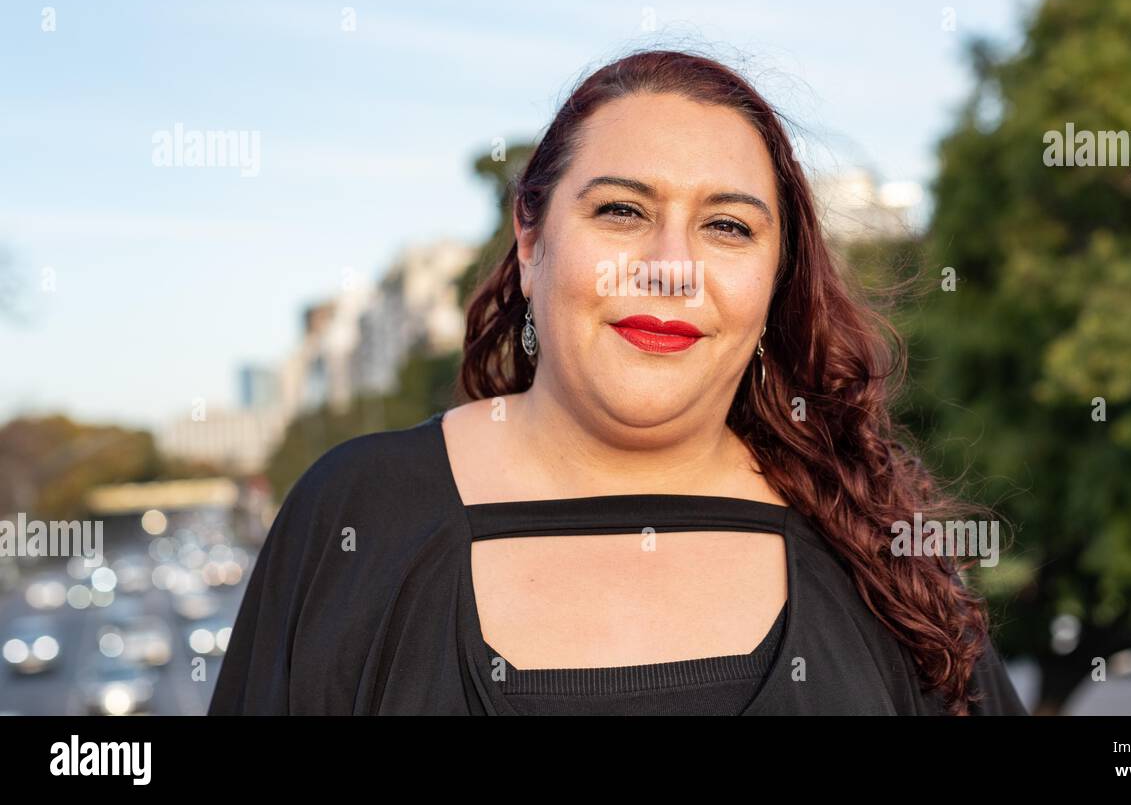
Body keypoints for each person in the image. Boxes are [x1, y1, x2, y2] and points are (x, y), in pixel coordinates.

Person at [208, 48, 1028, 715]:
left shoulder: (874, 553)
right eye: (622, 212)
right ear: (530, 241)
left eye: (727, 226)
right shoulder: (356, 514)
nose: (672, 271)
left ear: (777, 279)